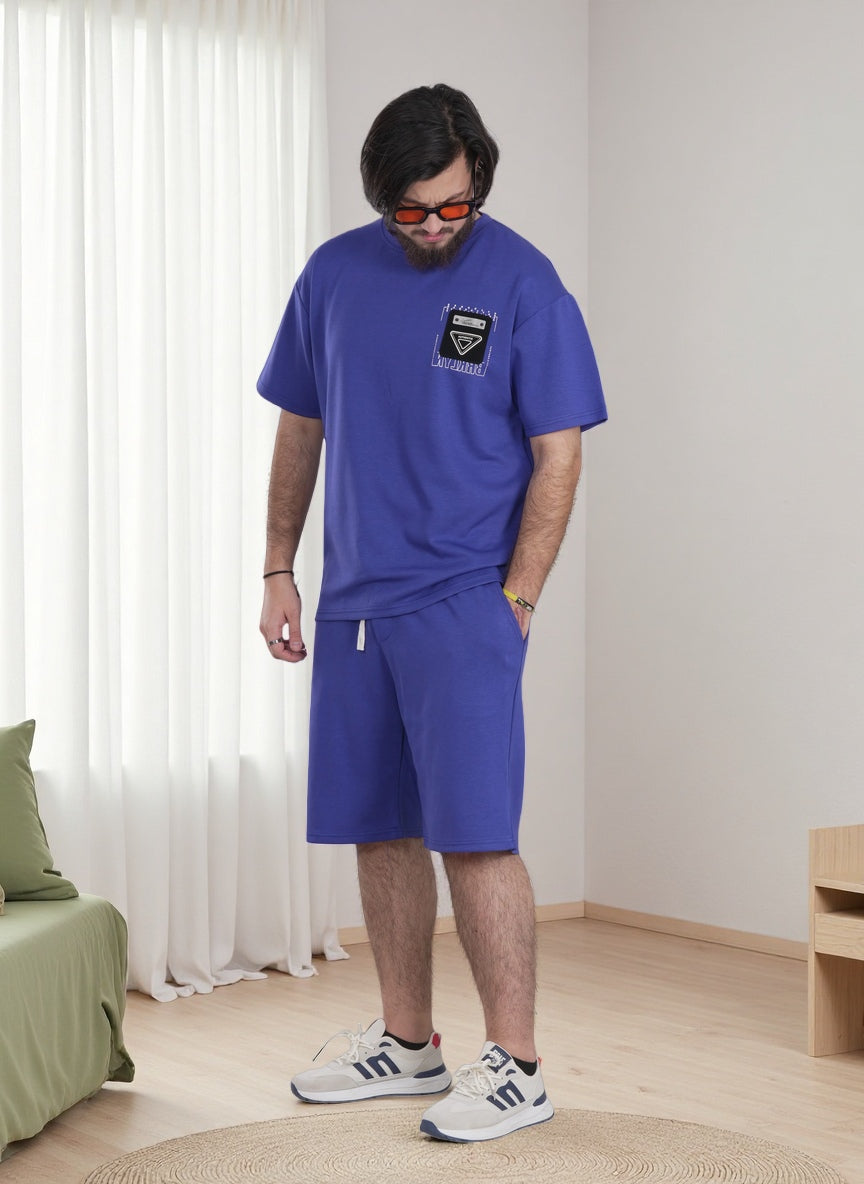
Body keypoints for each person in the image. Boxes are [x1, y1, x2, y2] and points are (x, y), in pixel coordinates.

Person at [257, 83, 606, 1144]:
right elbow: (301, 428)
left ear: (478, 181)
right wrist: (278, 566)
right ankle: (408, 1041)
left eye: (453, 204)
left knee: (477, 834)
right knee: (380, 827)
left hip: (464, 601)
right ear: (381, 198)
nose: (435, 225)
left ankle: (518, 1065)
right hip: (356, 602)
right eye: (411, 210)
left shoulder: (526, 283)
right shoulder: (331, 276)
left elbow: (558, 452)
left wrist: (519, 597)